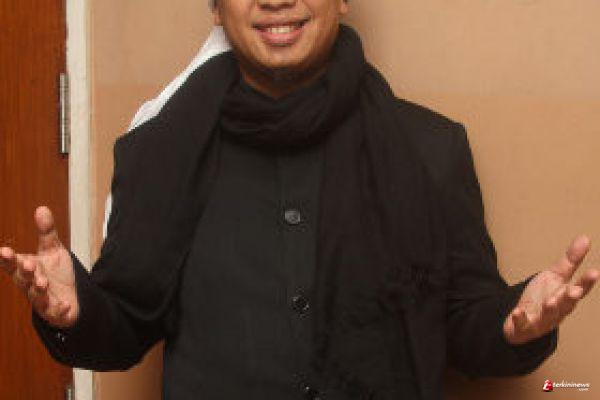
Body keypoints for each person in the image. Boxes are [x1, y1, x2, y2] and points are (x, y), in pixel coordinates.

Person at [1, 1, 598, 399]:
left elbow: (467, 327)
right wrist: (76, 311)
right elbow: (126, 325)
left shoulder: (431, 149)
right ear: (216, 6)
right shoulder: (156, 151)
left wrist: (517, 324)